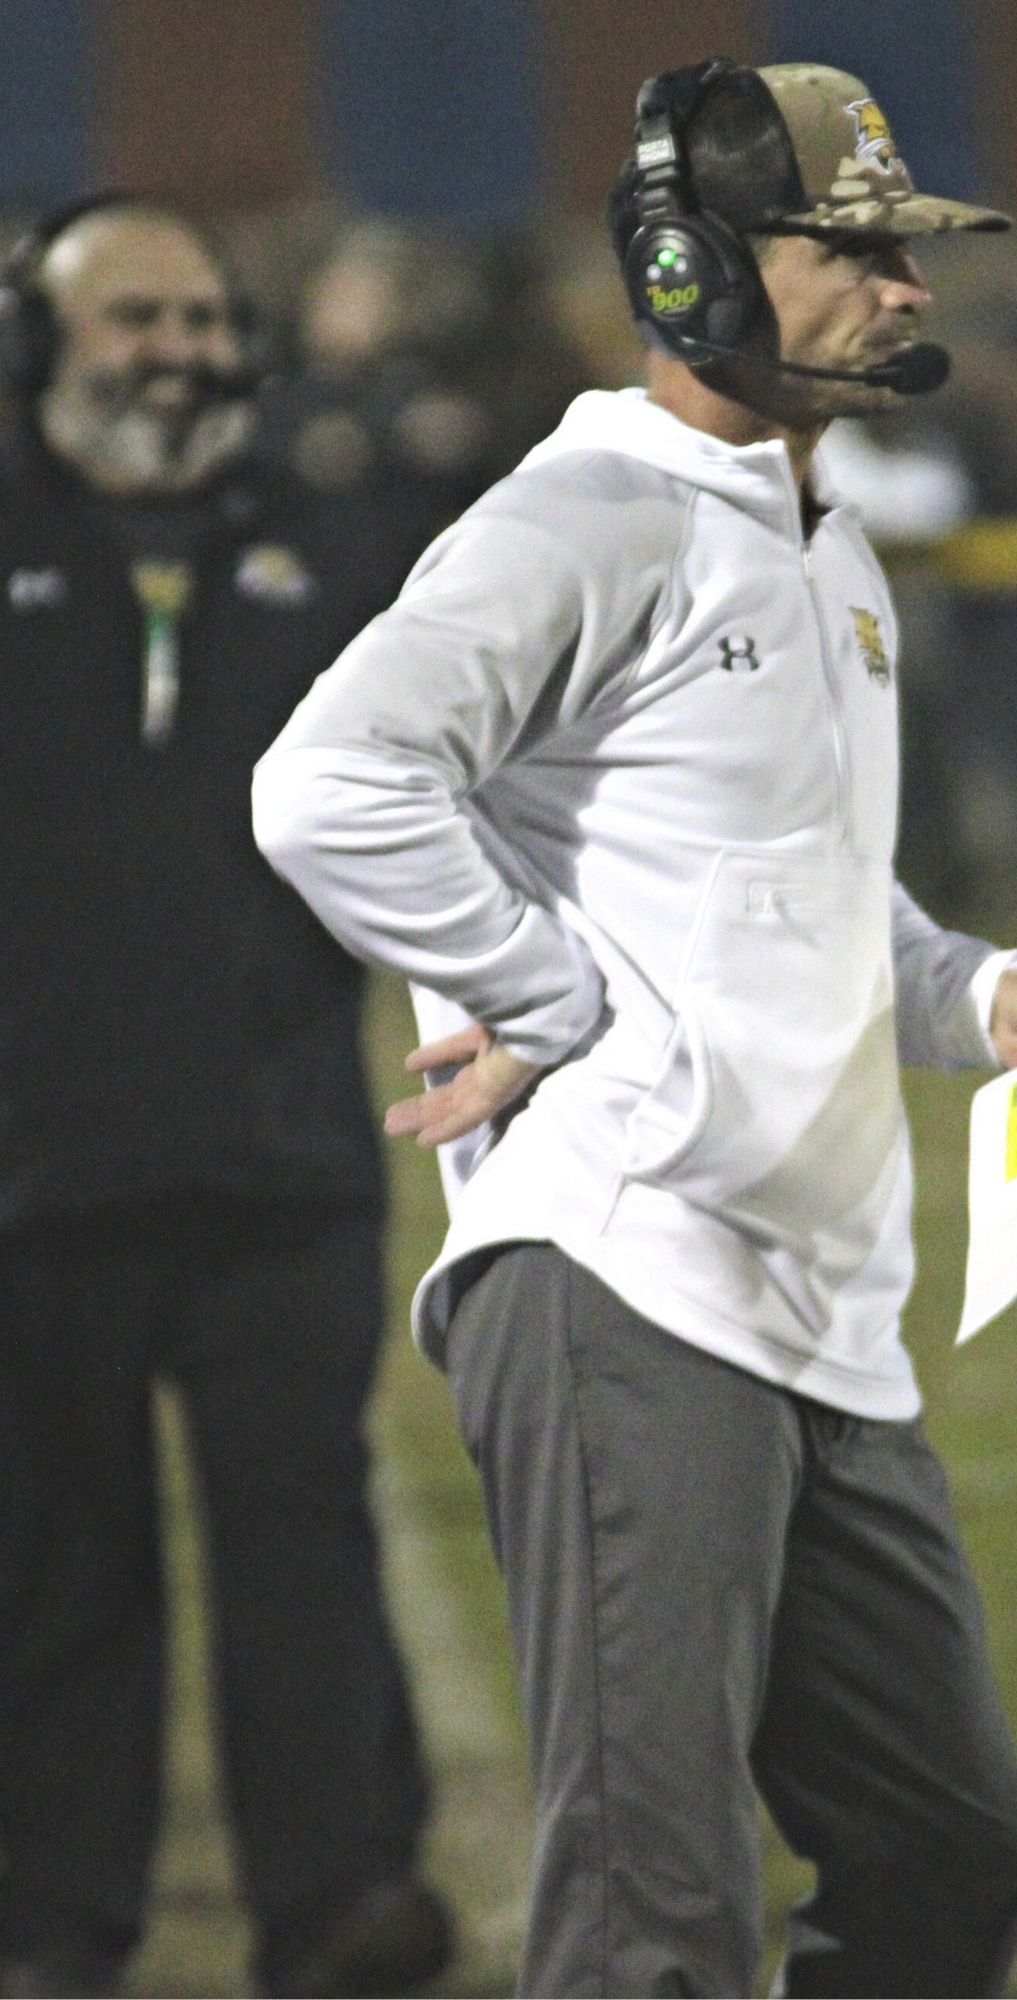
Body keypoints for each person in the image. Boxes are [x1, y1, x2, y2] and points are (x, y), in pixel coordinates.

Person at [254, 61, 1017, 1999]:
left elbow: (821, 900)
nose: (911, 293)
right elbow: (328, 783)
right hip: (628, 1274)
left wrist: (987, 993)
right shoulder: (586, 516)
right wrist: (549, 995)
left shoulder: (831, 552)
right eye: (859, 251)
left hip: (823, 1313)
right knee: (654, 1918)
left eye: (913, 257)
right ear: (690, 262)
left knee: (948, 1850)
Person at [0, 197, 453, 1998]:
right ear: (38, 340)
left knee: (302, 1547)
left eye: (202, 317)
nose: (178, 350)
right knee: (54, 1573)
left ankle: (339, 1901)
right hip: (28, 1171)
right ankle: (49, 1919)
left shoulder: (335, 546)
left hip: (283, 1158)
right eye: (134, 319)